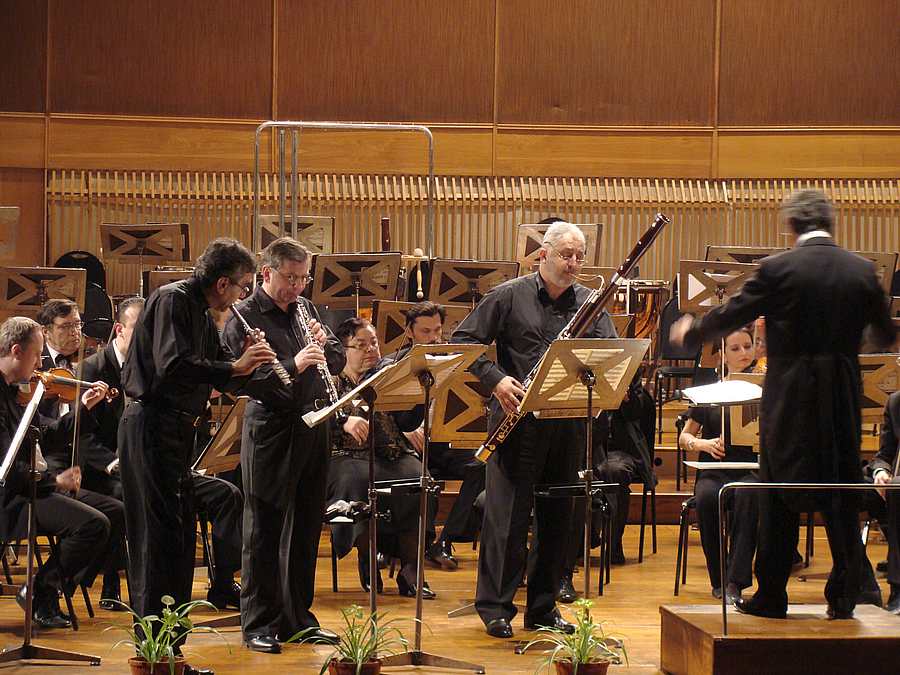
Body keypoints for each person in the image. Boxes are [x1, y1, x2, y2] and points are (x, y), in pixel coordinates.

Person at [671, 189, 896, 620]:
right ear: (830, 223)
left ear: (792, 226)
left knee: (776, 492)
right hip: (842, 395)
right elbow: (885, 334)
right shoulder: (861, 270)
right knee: (841, 491)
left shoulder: (778, 269)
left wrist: (693, 331)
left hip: (790, 397)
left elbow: (735, 312)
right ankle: (844, 595)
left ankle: (772, 594)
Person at [452, 221, 617, 639]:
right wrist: (496, 380)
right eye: (566, 255)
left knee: (558, 518)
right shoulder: (508, 295)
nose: (573, 263)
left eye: (579, 256)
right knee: (507, 518)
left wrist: (601, 387)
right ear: (543, 254)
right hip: (516, 423)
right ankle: (496, 607)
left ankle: (542, 608)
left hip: (566, 424)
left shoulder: (590, 304)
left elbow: (610, 353)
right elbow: (463, 341)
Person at [119, 238, 274, 674]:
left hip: (173, 432)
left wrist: (254, 363)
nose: (243, 296)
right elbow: (173, 366)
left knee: (178, 539)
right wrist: (235, 367)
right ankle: (154, 654)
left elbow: (223, 373)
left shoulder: (203, 313)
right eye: (243, 287)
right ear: (223, 283)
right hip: (150, 427)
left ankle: (170, 650)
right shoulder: (172, 299)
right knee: (156, 541)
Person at [82, 296, 245, 612]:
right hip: (109, 471)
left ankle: (224, 583)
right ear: (119, 329)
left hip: (162, 461)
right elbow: (83, 434)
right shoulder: (94, 367)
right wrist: (112, 462)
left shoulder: (160, 364)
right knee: (126, 505)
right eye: (140, 327)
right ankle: (113, 584)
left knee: (227, 494)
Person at [221, 237, 345, 654]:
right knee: (264, 529)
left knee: (306, 527)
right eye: (290, 278)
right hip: (271, 428)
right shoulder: (243, 315)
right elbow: (243, 381)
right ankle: (258, 622)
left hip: (313, 424)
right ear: (266, 273)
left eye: (303, 278)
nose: (297, 287)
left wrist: (323, 345)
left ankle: (297, 620)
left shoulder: (306, 309)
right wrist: (295, 363)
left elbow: (338, 359)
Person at [0, 316, 111, 628]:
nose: (40, 364)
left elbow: (45, 436)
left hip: (29, 488)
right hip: (11, 499)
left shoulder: (13, 391)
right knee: (93, 524)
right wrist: (55, 481)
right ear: (16, 351)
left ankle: (45, 590)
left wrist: (83, 409)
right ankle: (42, 592)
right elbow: (7, 467)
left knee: (114, 512)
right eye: (37, 355)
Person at [326, 317, 436, 600]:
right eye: (361, 345)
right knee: (357, 481)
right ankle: (368, 559)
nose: (371, 349)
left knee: (420, 479)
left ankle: (411, 570)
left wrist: (420, 395)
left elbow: (406, 421)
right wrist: (343, 421)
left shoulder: (385, 377)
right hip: (345, 455)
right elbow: (318, 420)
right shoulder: (329, 380)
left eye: (374, 343)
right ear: (343, 349)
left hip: (390, 452)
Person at [35, 298, 128, 612]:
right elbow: (42, 429)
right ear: (46, 331)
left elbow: (94, 430)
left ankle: (83, 583)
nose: (75, 332)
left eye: (78, 324)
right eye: (66, 327)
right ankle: (48, 590)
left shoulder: (87, 364)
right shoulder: (36, 368)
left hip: (81, 456)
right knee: (91, 511)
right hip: (49, 459)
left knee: (121, 498)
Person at [387, 301, 485, 571]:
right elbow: (381, 413)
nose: (434, 337)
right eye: (425, 331)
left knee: (482, 464)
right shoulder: (393, 364)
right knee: (419, 476)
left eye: (437, 330)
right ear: (409, 332)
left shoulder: (452, 362)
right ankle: (404, 545)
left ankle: (446, 539)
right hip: (408, 446)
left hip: (443, 443)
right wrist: (405, 432)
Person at [678, 327, 759, 603]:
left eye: (747, 346)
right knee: (707, 498)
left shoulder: (764, 390)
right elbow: (684, 437)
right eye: (735, 348)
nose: (743, 353)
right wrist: (703, 444)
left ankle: (735, 581)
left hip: (751, 470)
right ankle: (719, 580)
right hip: (715, 469)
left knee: (749, 496)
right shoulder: (712, 392)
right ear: (723, 355)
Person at [868, 387, 900, 613]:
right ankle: (862, 584)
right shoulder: (896, 402)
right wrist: (881, 471)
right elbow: (884, 455)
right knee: (850, 491)